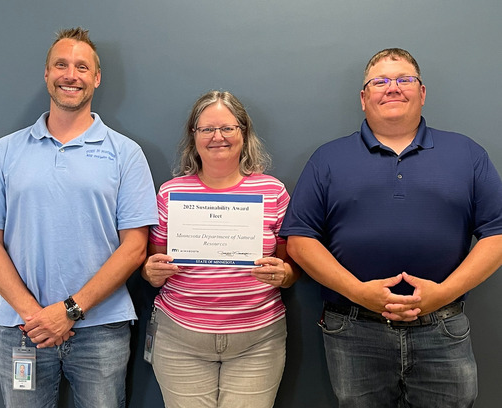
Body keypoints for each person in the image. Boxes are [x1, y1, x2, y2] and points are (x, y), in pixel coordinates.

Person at [280, 48, 502, 408]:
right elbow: (300, 241)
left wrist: (442, 293)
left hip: (442, 327)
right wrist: (358, 292)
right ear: (364, 97)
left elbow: (497, 234)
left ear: (422, 92)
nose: (393, 88)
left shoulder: (467, 154)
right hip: (353, 329)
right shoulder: (327, 159)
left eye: (404, 79)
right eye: (380, 81)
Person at [0, 27, 158, 407]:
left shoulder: (126, 153)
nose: (71, 74)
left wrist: (70, 310)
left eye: (82, 67)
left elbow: (135, 247)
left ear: (96, 78)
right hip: (23, 329)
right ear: (47, 74)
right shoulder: (5, 151)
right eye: (61, 65)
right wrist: (35, 315)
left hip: (101, 330)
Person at [142, 90, 300, 408]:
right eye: (207, 129)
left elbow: (291, 269)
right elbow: (152, 264)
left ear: (243, 133)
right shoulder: (171, 193)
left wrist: (283, 274)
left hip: (258, 339)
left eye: (228, 128)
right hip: (179, 338)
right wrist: (151, 271)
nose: (218, 137)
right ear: (194, 136)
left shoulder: (272, 191)